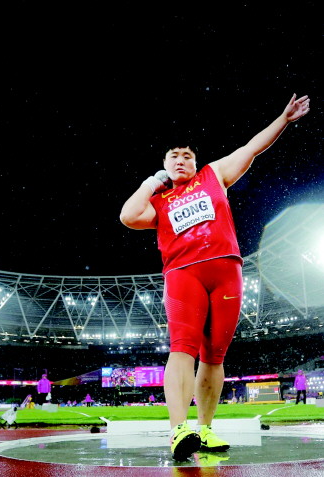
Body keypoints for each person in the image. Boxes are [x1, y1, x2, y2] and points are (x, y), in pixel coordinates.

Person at [120, 94, 310, 461]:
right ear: (164, 165)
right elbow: (128, 216)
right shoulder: (159, 202)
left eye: (187, 155)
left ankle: (204, 429)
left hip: (226, 273)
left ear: (196, 162)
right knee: (182, 348)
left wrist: (284, 119)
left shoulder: (213, 174)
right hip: (183, 275)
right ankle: (179, 430)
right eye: (173, 156)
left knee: (214, 356)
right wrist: (152, 183)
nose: (181, 160)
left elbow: (251, 148)